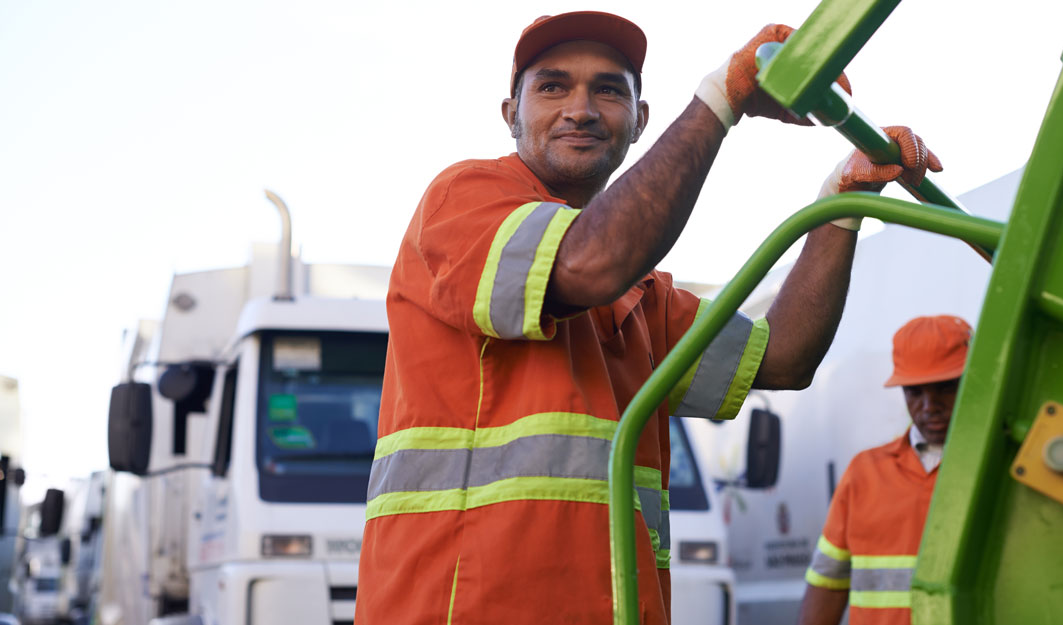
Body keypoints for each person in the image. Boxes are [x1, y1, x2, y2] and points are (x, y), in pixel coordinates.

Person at [355, 11, 941, 625]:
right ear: (510, 115)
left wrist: (841, 203)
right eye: (552, 86)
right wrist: (721, 98)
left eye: (608, 89)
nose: (580, 108)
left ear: (640, 121)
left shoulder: (640, 296)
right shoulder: (464, 199)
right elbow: (588, 263)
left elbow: (785, 356)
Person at [797, 315, 972, 625]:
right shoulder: (864, 474)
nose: (929, 405)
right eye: (915, 392)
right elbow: (827, 582)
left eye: (944, 388)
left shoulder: (1000, 468)